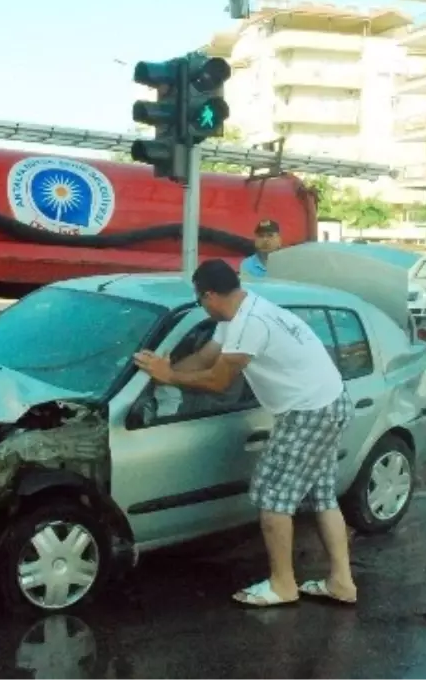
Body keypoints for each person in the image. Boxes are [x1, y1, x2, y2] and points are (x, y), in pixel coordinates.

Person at [133, 259, 357, 608]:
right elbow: (207, 358)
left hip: (309, 412)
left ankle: (283, 585)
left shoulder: (248, 323)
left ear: (209, 295)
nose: (201, 306)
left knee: (272, 498)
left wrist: (171, 377)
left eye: (199, 300)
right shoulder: (241, 311)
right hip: (328, 403)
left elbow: (220, 381)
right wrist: (161, 371)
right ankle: (341, 582)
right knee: (322, 495)